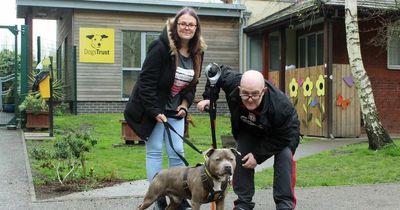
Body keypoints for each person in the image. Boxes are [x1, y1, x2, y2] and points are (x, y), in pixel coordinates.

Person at [124, 7, 206, 210]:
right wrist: (154, 111)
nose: (187, 28)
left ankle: (177, 196)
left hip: (175, 110)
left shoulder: (198, 51)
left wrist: (185, 106)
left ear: (196, 29)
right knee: (154, 151)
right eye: (183, 23)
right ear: (176, 25)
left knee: (177, 151)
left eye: (191, 25)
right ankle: (158, 195)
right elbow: (146, 82)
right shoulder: (161, 47)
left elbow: (192, 84)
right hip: (152, 108)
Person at [197, 65, 300, 210]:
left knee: (284, 158)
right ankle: (243, 204)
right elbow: (214, 71)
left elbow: (284, 136)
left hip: (282, 135)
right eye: (245, 94)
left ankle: (284, 204)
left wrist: (257, 156)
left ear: (263, 91)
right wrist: (209, 98)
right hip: (250, 128)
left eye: (255, 94)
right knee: (241, 156)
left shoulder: (280, 106)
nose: (250, 99)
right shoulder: (232, 82)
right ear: (239, 89)